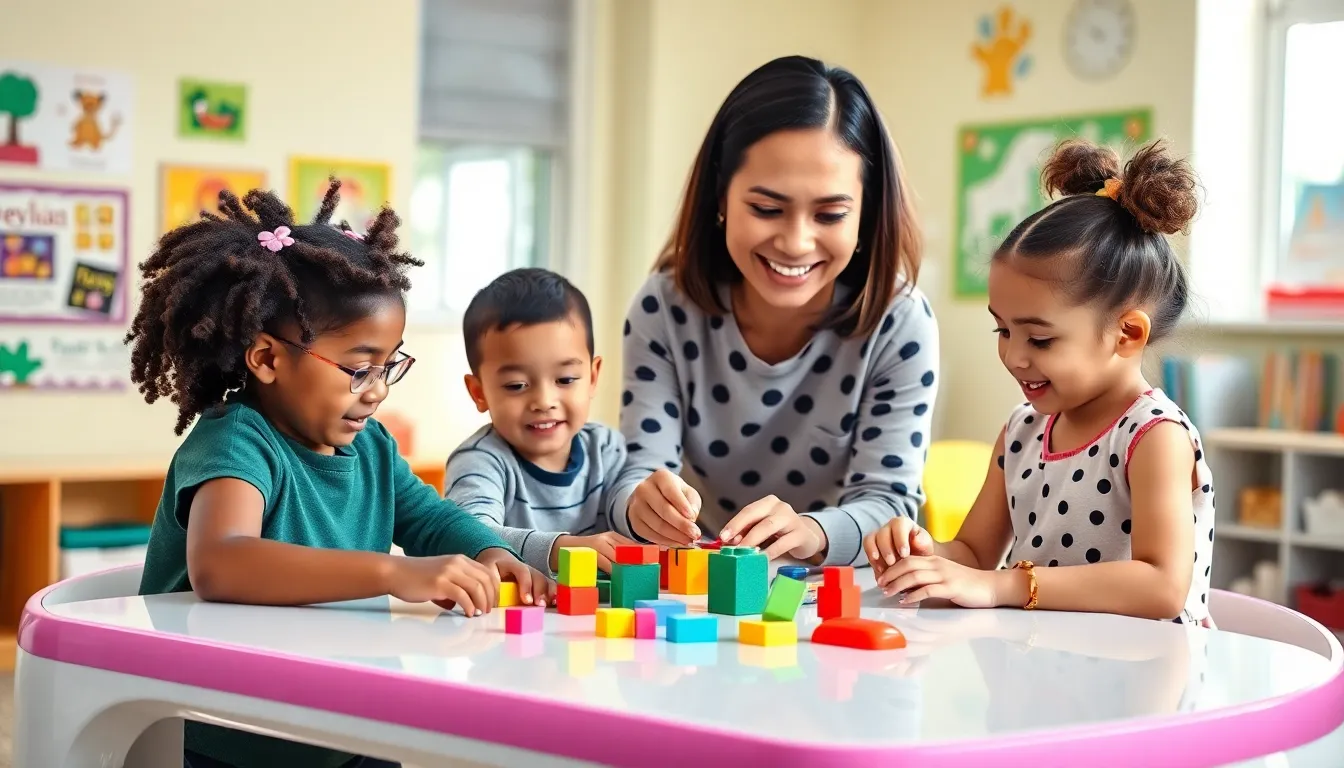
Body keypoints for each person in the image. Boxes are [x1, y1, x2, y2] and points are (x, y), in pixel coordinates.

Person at [126, 181, 552, 768]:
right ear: (268, 358)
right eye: (357, 369)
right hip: (230, 737)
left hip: (345, 720)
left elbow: (426, 516)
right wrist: (393, 572)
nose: (376, 391)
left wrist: (485, 548)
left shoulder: (370, 445)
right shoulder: (236, 441)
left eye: (388, 365)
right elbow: (223, 563)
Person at [864, 138, 1215, 624]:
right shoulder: (1022, 433)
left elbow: (1161, 586)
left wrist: (1007, 584)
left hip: (1141, 680)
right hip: (1039, 672)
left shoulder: (1153, 437)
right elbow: (973, 553)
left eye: (1040, 340)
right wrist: (926, 553)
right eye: (1003, 330)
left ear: (1127, 333)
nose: (1013, 355)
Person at [608, 55, 939, 566]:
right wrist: (639, 504)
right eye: (766, 209)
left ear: (866, 214)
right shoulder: (663, 307)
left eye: (829, 214)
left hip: (842, 593)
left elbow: (890, 501)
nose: (796, 242)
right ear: (721, 197)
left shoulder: (899, 322)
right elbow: (637, 469)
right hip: (704, 583)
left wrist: (811, 532)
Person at [446, 268, 636, 575]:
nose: (544, 401)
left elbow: (627, 513)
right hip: (506, 619)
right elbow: (466, 534)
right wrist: (563, 549)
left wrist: (655, 512)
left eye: (565, 379)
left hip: (598, 617)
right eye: (516, 385)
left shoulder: (606, 447)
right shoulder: (480, 460)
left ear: (592, 377)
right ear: (479, 393)